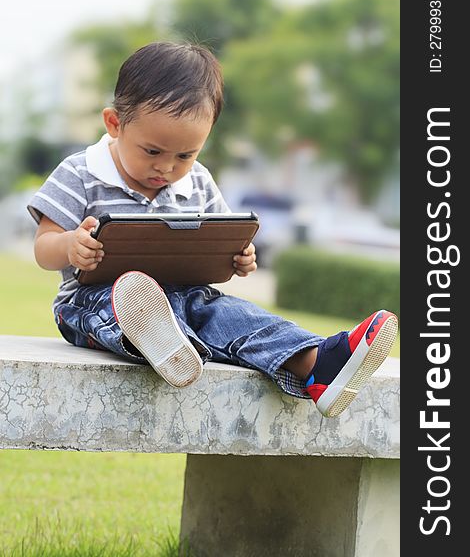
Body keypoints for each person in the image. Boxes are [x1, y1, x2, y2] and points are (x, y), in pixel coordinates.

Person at [27, 41, 398, 418]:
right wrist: (71, 245)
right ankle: (167, 340)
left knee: (236, 316)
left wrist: (239, 256)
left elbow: (222, 234)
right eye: (153, 151)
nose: (167, 168)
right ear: (115, 124)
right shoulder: (81, 172)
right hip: (91, 302)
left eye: (185, 155)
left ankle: (318, 363)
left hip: (186, 299)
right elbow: (44, 245)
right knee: (126, 305)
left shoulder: (199, 182)